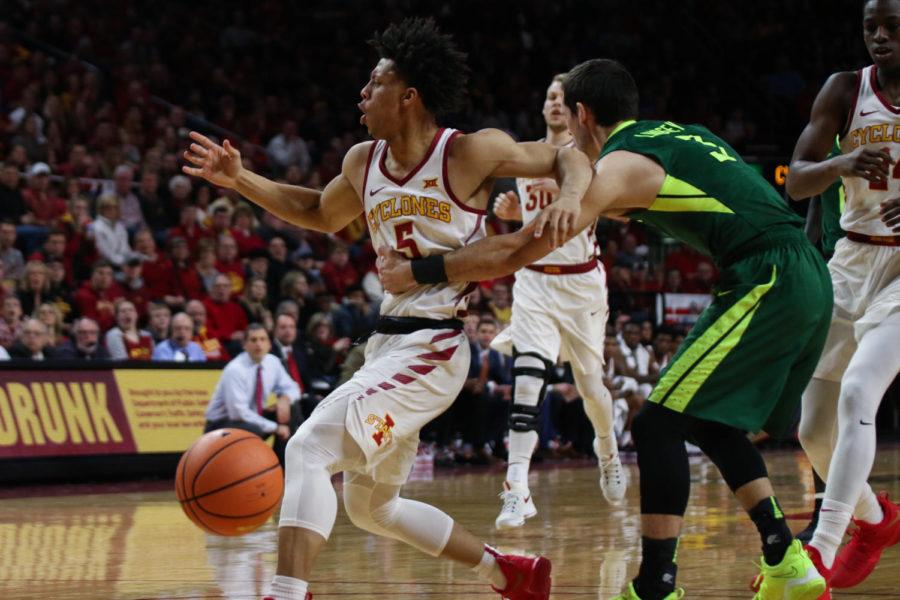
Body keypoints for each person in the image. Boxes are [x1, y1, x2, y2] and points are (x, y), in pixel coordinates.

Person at [379, 58, 834, 600]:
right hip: (800, 270)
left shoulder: (621, 164)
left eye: (568, 121)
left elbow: (528, 247)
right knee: (709, 424)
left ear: (582, 114)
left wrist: (423, 271)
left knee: (656, 426)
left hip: (768, 274)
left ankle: (654, 586)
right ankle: (785, 558)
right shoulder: (680, 136)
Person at [183, 18, 588, 600]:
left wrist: (571, 195)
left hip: (433, 345)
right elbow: (322, 212)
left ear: (409, 96)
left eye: (373, 86)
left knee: (309, 447)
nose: (362, 97)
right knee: (373, 508)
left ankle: (287, 593)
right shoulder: (362, 161)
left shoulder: (469, 153)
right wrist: (242, 178)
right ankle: (511, 573)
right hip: (388, 344)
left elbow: (566, 160)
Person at [785, 0, 900, 590]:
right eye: (870, 28)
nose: (879, 38)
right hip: (851, 258)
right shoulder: (844, 89)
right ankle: (876, 522)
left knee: (860, 388)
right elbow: (797, 177)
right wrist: (844, 160)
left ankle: (822, 551)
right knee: (812, 430)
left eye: (892, 27)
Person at [488, 73, 624, 530]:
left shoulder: (590, 157)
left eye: (563, 98)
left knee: (590, 386)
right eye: (548, 96)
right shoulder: (527, 155)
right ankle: (517, 489)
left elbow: (609, 207)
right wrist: (514, 214)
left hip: (581, 284)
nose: (554, 103)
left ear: (576, 109)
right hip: (534, 281)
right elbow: (530, 219)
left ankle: (607, 450)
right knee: (527, 381)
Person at [204, 324, 301, 466]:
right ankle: (248, 470)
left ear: (269, 343)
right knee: (253, 429)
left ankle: (280, 466)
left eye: (263, 339)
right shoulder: (235, 369)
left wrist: (285, 399)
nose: (259, 344)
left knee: (291, 409)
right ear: (244, 344)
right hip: (220, 425)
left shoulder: (272, 362)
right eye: (253, 340)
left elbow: (293, 388)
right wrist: (275, 427)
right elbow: (238, 414)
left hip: (250, 418)